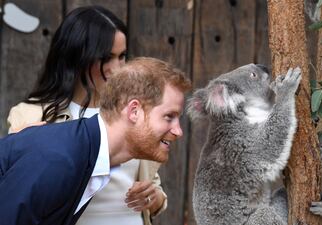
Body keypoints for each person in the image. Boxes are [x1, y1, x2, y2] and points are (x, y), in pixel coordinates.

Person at [6, 6, 167, 225]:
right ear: (78, 56)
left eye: (122, 56)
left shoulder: (135, 112)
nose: (117, 68)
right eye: (106, 58)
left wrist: (153, 198)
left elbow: (154, 189)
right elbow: (18, 195)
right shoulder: (30, 115)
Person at [0, 57, 192, 225]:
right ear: (134, 111)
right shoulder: (60, 158)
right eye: (169, 116)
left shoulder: (88, 155)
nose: (178, 131)